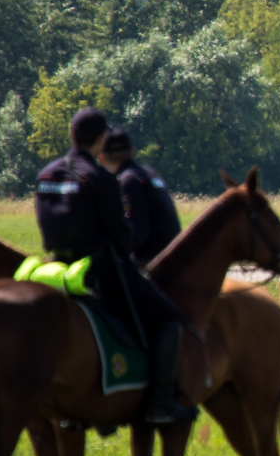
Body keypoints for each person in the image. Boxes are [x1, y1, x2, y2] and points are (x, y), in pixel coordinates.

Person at [33, 108, 197, 424]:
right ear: (101, 139)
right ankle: (160, 403)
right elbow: (121, 236)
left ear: (71, 136)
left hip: (58, 266)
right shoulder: (101, 178)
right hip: (99, 270)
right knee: (169, 320)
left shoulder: (46, 175)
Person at [97, 127, 182, 265]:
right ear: (132, 150)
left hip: (154, 262)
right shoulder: (148, 174)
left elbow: (136, 235)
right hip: (174, 255)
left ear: (101, 158)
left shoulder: (129, 180)